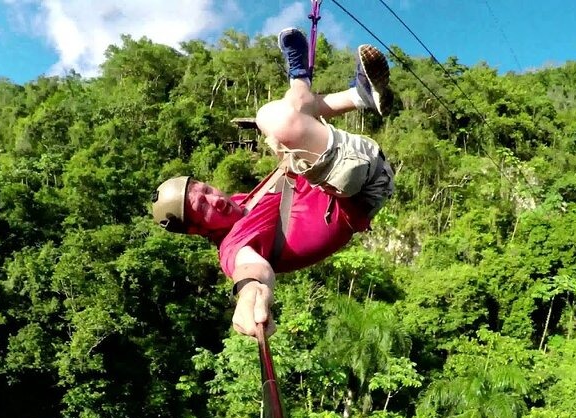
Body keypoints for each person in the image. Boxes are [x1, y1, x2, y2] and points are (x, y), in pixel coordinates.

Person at [151, 28, 395, 337]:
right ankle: (303, 76)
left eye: (206, 189)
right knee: (272, 118)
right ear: (197, 228)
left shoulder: (243, 201)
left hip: (346, 173)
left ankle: (357, 95)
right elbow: (253, 269)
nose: (214, 197)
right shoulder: (233, 247)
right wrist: (251, 293)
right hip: (362, 184)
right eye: (202, 205)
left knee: (290, 112)